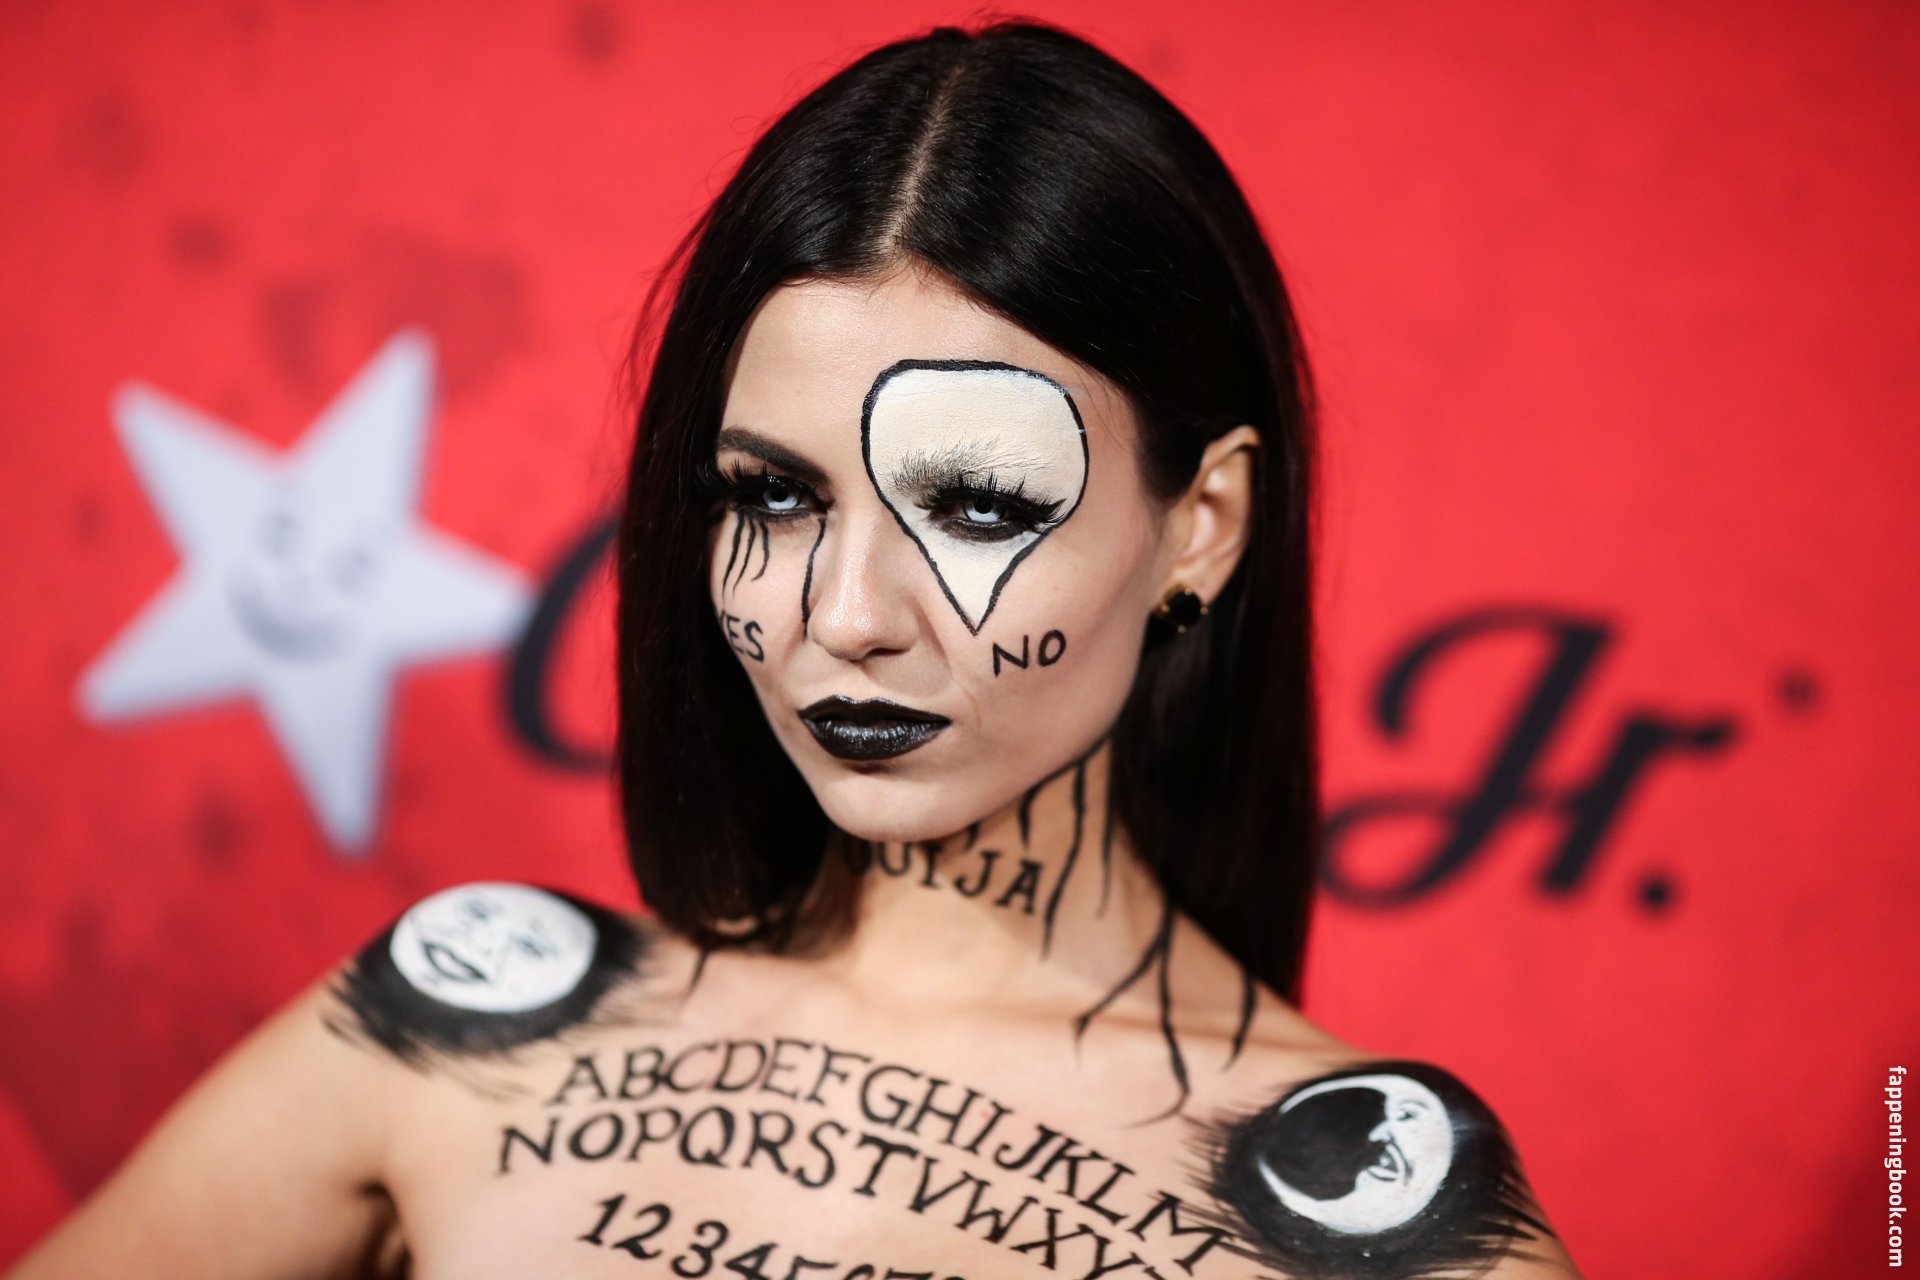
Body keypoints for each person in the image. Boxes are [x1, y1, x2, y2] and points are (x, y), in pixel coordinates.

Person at [8, 20, 1582, 1280]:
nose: (845, 613)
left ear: (1203, 524)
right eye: (772, 495)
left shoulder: (1374, 1229)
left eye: (976, 504)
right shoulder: (462, 1029)